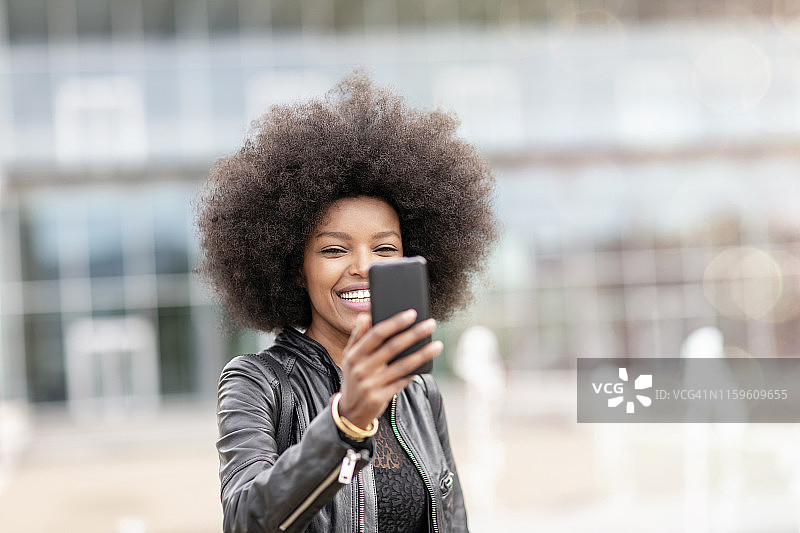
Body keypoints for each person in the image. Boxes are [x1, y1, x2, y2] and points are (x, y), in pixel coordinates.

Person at [195, 70, 499, 533]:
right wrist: (346, 422)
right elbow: (245, 520)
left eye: (384, 249)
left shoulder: (420, 392)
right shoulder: (259, 383)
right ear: (296, 266)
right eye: (334, 249)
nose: (363, 268)